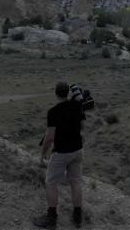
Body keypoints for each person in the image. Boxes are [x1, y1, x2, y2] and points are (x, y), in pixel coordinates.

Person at [33, 81, 85, 229]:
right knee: (76, 182)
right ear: (68, 92)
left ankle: (51, 218)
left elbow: (49, 137)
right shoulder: (77, 106)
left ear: (56, 93)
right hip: (78, 150)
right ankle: (77, 216)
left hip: (62, 152)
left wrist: (43, 154)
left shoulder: (53, 112)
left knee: (50, 182)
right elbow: (82, 127)